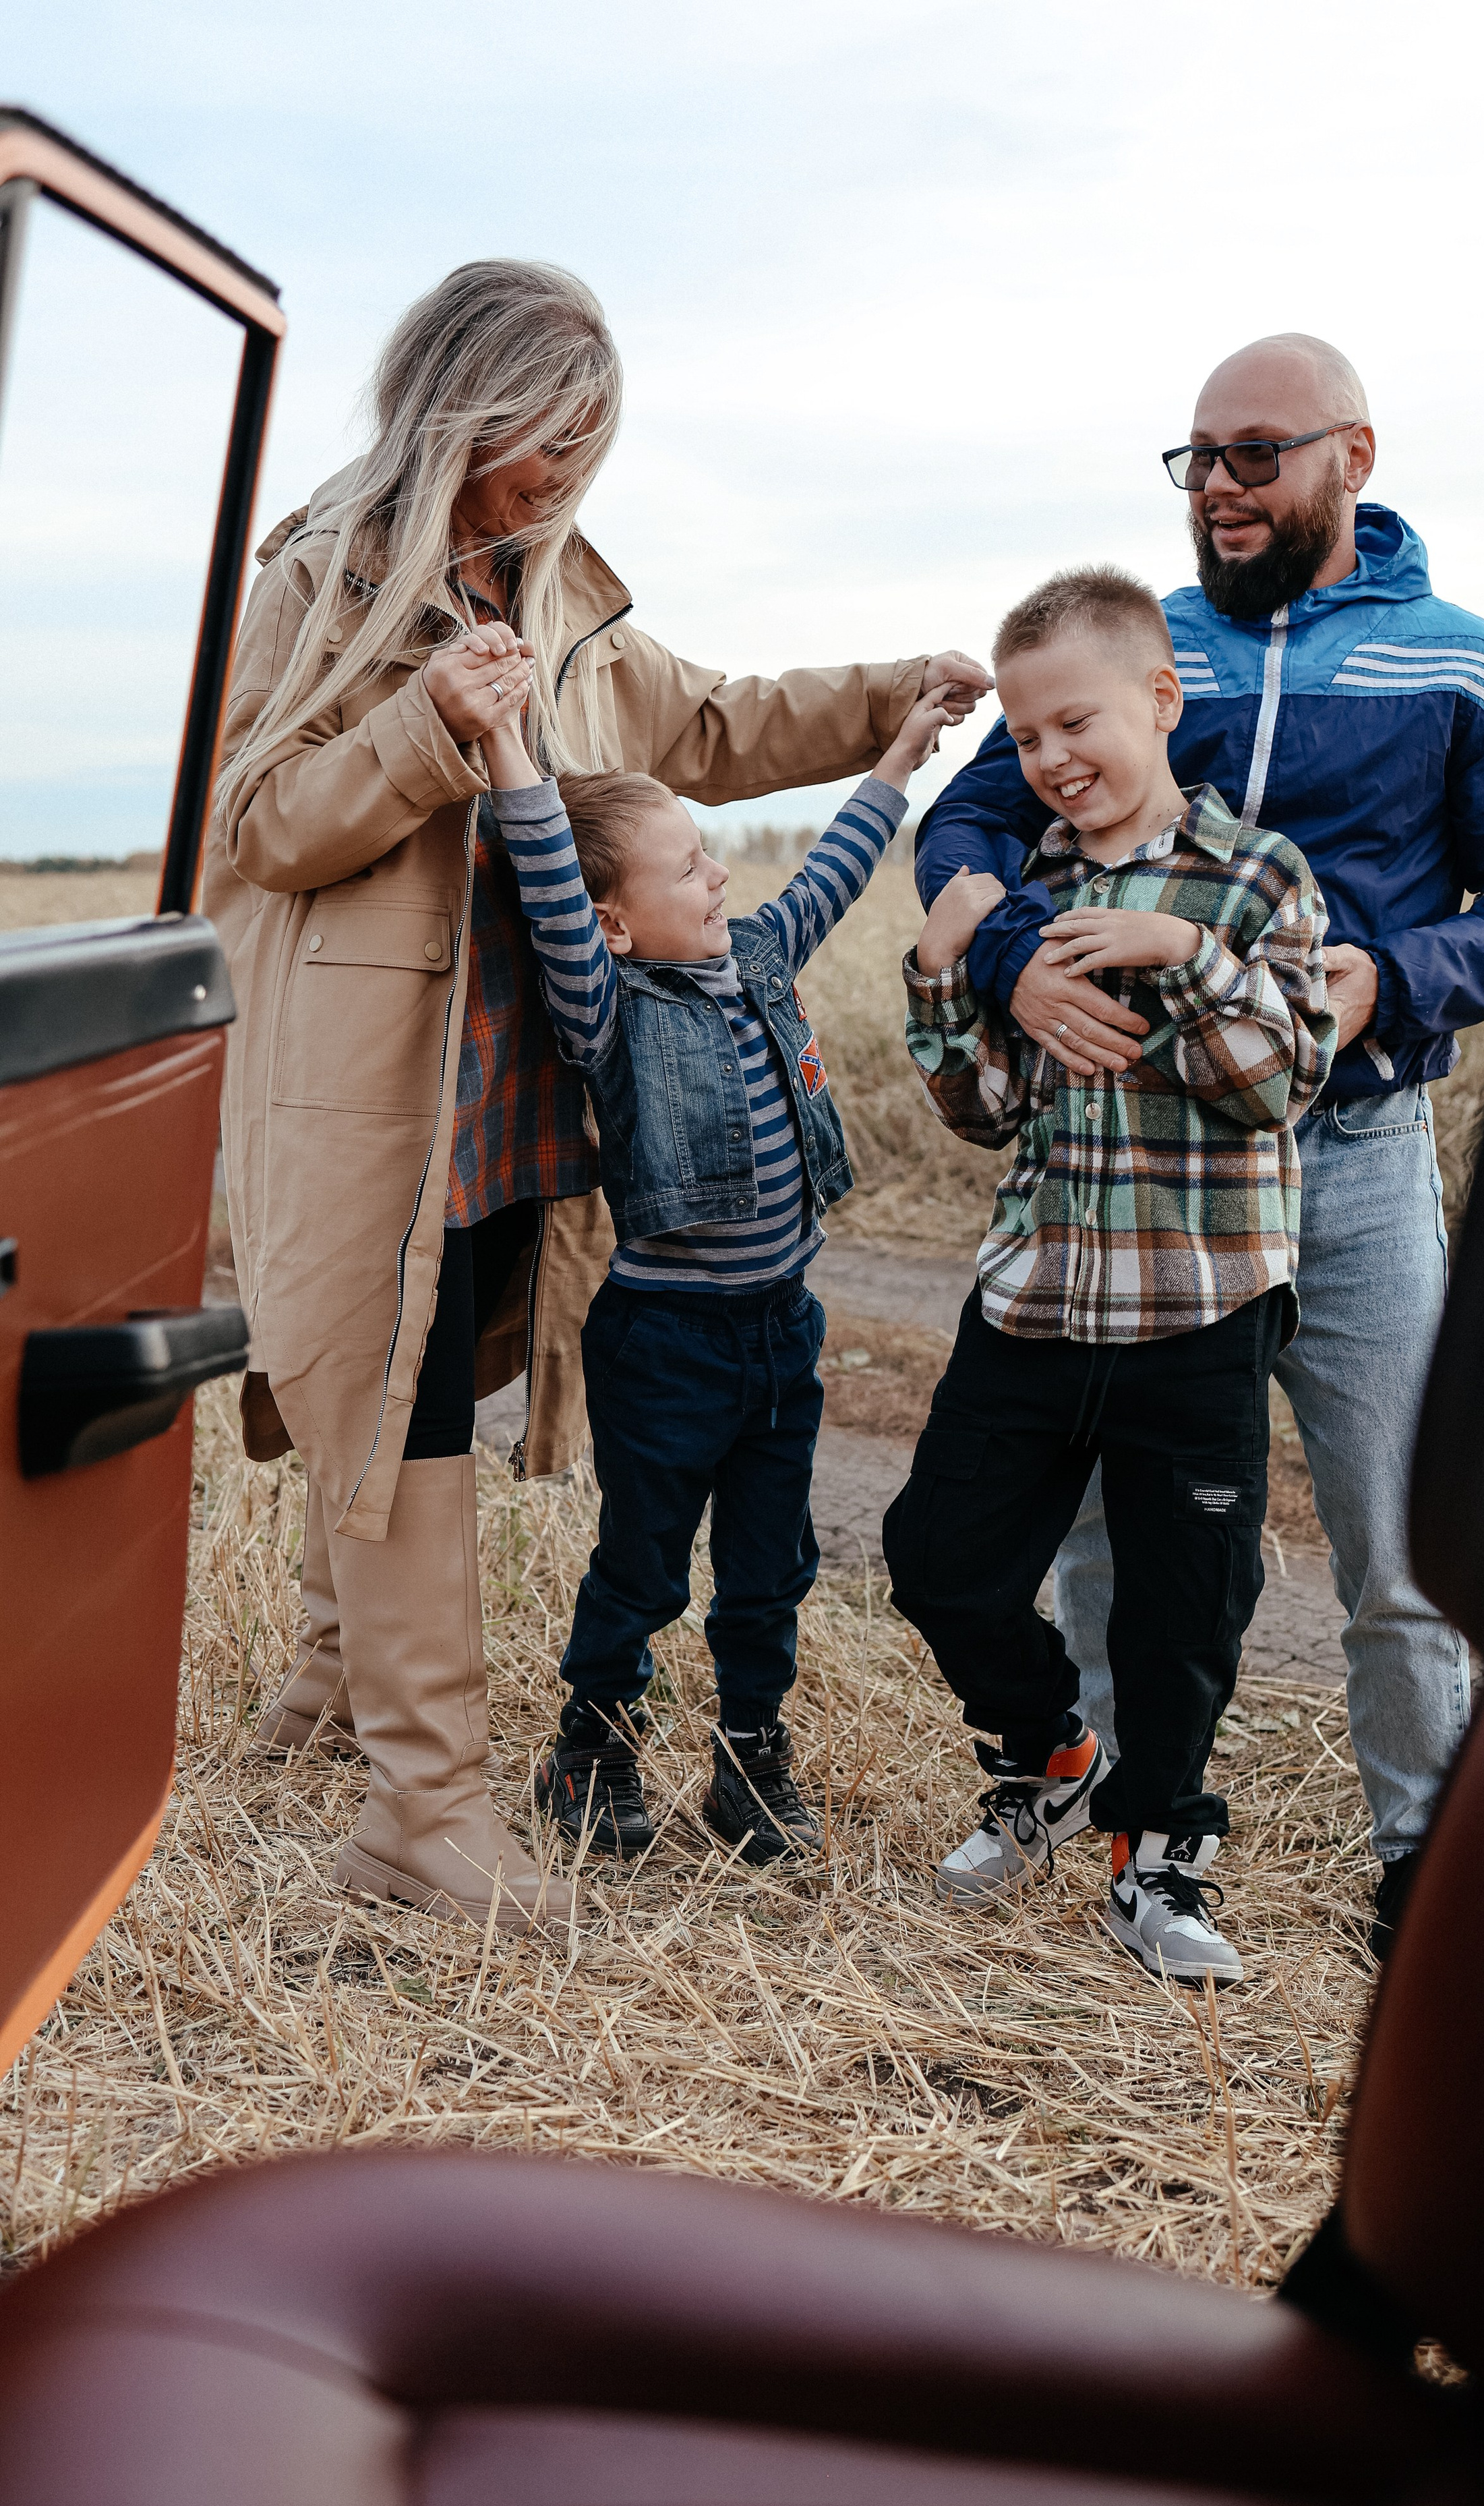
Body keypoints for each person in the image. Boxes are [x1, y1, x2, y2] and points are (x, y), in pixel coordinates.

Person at [206, 257, 988, 1933]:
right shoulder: (321, 578)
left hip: (516, 1081)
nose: (558, 471)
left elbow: (706, 722)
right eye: (532, 436)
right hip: (368, 1086)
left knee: (431, 1369)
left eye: (585, 439)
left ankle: (335, 1676)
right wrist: (424, 725)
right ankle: (427, 1816)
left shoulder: (562, 594)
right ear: (449, 407)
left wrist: (893, 703)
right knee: (388, 1384)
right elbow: (262, 826)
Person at [914, 336, 1484, 1957]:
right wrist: (1003, 966)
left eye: (1252, 454)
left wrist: (1396, 976)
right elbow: (973, 830)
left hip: (1346, 1159)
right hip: (1136, 1165)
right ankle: (1097, 1813)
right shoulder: (1144, 657)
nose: (1213, 485)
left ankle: (1421, 1857)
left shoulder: (1461, 666)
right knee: (1096, 1540)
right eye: (1193, 457)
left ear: (1352, 453)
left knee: (1393, 1541)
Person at [883, 566, 1334, 1983]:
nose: (1050, 760)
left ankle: (1161, 1863)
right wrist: (940, 980)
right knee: (936, 1561)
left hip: (1199, 1305)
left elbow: (1280, 1086)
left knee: (1178, 1608)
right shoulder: (1027, 894)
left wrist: (1183, 950)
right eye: (1022, 741)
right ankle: (1047, 1756)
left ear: (1157, 697)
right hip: (1034, 1294)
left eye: (1072, 722)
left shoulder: (1254, 878)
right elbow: (981, 1113)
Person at [477, 674, 958, 1866]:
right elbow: (546, 877)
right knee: (643, 1566)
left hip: (780, 1329)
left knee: (769, 1568)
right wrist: (502, 742)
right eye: (688, 867)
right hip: (666, 1342)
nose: (718, 878)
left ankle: (749, 1761)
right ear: (615, 922)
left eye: (710, 857)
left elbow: (836, 869)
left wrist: (901, 752)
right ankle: (590, 1746)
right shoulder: (607, 1005)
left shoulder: (756, 956)